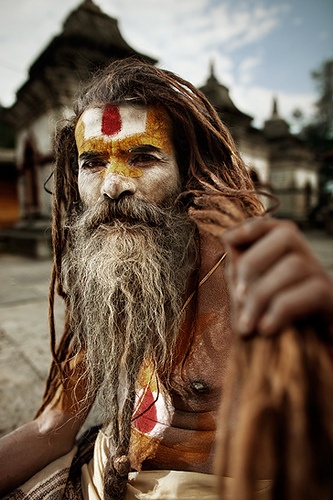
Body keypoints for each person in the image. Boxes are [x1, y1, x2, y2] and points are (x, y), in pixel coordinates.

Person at [1, 58, 333, 500]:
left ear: (187, 172)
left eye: (143, 157)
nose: (113, 185)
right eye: (93, 162)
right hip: (103, 470)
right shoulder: (107, 274)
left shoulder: (248, 276)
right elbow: (52, 429)